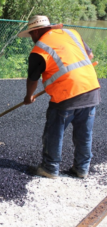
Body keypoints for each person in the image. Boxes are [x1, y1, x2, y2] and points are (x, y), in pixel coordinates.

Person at [17, 15, 101, 179]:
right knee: (84, 133)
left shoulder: (40, 49)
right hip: (91, 89)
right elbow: (89, 57)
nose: (32, 38)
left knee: (54, 132)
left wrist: (29, 97)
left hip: (66, 95)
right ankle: (82, 169)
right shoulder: (72, 34)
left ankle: (49, 168)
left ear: (37, 31)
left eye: (32, 34)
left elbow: (33, 79)